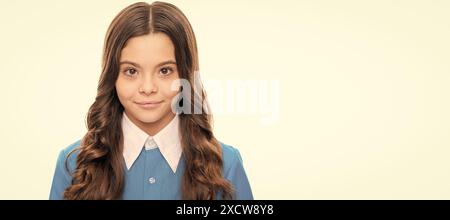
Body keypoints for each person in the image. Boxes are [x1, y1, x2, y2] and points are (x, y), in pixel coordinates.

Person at [49, 1, 253, 200]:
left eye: (165, 71)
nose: (147, 88)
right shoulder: (73, 164)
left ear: (186, 75)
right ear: (113, 76)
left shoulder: (227, 164)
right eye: (131, 71)